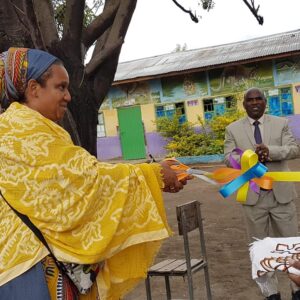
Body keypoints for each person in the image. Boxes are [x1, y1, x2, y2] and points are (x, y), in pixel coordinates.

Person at [0, 47, 189, 300]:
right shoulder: (27, 132)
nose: (68, 96)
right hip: (30, 270)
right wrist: (153, 174)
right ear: (34, 89)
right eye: (60, 87)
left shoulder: (13, 129)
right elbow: (85, 181)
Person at [224, 87, 300, 300]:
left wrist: (270, 151)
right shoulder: (232, 129)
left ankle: (297, 290)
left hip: (281, 196)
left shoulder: (281, 123)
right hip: (252, 196)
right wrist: (249, 159)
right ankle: (271, 294)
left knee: (292, 245)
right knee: (259, 248)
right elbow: (228, 157)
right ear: (244, 104)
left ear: (265, 103)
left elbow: (294, 149)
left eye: (259, 99)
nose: (255, 103)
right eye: (250, 100)